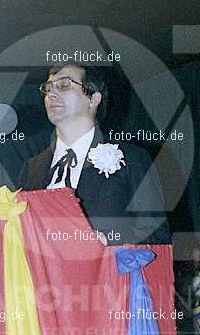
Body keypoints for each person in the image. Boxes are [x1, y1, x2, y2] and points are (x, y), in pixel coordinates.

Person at [18, 62, 171, 245]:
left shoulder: (131, 159)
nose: (51, 94)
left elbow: (158, 235)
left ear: (93, 99)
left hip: (110, 272)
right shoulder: (31, 168)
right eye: (48, 88)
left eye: (64, 85)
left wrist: (106, 239)